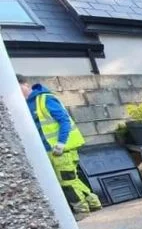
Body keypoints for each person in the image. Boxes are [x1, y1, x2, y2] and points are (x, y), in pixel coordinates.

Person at [17, 75, 102, 217]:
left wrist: (61, 143)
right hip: (48, 150)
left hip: (61, 149)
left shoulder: (45, 98)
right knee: (70, 179)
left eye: (18, 87)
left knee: (66, 181)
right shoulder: (25, 104)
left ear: (25, 84)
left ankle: (81, 210)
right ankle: (93, 203)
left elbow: (64, 120)